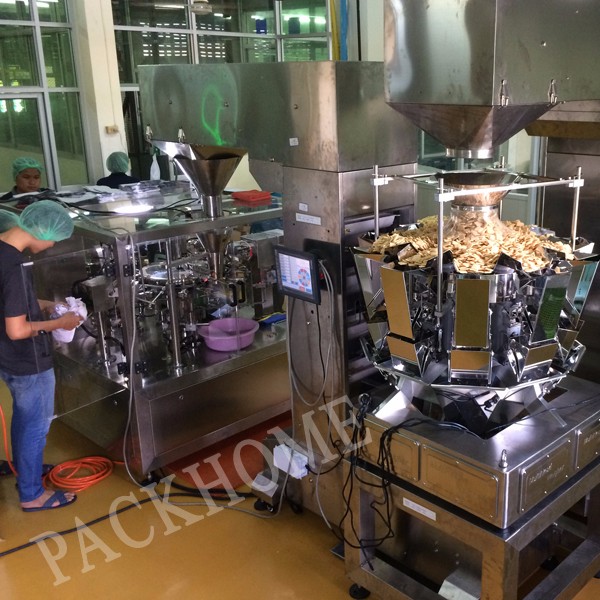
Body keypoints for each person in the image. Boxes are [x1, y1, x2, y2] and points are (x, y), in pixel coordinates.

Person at [0, 200, 82, 511]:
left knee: (24, 418)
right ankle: (32, 495)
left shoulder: (4, 250)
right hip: (26, 360)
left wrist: (46, 304)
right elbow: (18, 329)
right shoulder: (15, 267)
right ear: (42, 232)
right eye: (54, 240)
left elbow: (11, 300)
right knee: (36, 426)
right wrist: (60, 324)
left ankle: (26, 469)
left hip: (7, 358)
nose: (52, 246)